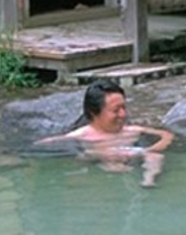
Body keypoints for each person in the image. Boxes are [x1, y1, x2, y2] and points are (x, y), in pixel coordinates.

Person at [36, 80, 174, 187]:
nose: (123, 114)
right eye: (115, 110)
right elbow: (46, 144)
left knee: (155, 157)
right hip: (105, 160)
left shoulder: (131, 130)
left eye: (124, 108)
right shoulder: (83, 134)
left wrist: (152, 149)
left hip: (133, 154)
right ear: (94, 113)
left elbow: (166, 135)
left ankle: (149, 179)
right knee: (104, 157)